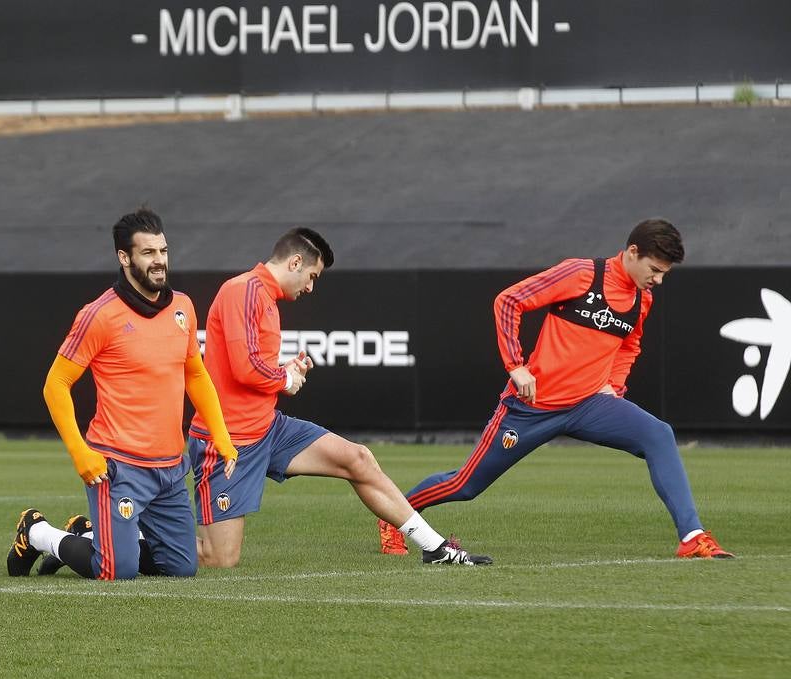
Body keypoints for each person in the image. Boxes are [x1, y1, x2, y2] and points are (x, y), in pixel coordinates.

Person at [383, 218, 733, 559]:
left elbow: (629, 345)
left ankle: (692, 537)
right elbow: (508, 301)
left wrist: (614, 386)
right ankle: (396, 516)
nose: (657, 279)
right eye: (654, 269)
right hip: (532, 407)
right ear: (632, 252)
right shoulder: (582, 274)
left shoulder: (642, 300)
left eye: (663, 274)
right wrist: (516, 366)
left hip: (590, 405)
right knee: (466, 485)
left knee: (659, 434)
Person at [185, 228, 492, 567]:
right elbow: (245, 369)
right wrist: (284, 377)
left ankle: (435, 548)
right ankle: (135, 540)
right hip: (229, 441)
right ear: (295, 262)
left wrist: (284, 370)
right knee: (220, 559)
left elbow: (247, 366)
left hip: (268, 428)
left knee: (357, 459)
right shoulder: (242, 291)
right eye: (312, 276)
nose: (310, 287)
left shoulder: (264, 298)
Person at [7, 207, 238, 580]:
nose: (159, 261)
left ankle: (90, 533)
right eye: (148, 253)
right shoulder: (99, 314)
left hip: (169, 467)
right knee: (117, 570)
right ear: (124, 257)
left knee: (182, 568)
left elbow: (196, 374)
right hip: (117, 465)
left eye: (163, 251)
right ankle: (38, 533)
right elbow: (56, 385)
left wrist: (222, 437)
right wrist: (80, 452)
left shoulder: (183, 307)